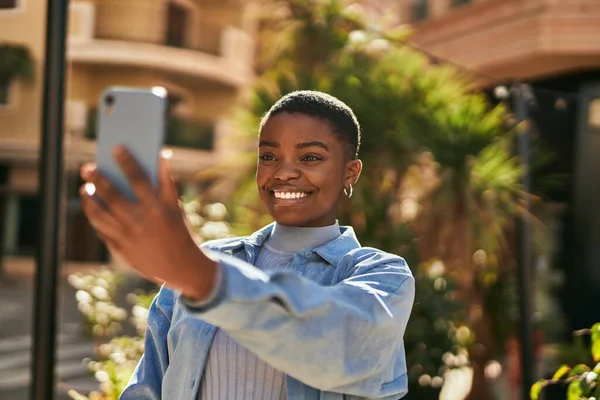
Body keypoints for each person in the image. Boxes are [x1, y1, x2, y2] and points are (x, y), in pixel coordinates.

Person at [80, 90, 415, 400]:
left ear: (350, 172)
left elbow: (341, 346)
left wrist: (204, 278)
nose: (284, 173)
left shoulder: (382, 274)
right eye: (269, 156)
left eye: (310, 158)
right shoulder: (205, 261)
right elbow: (147, 388)